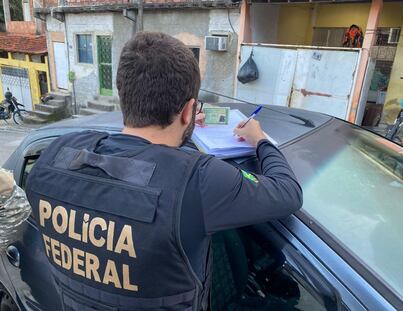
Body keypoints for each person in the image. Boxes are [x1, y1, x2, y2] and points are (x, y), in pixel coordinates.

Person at [25, 32, 302, 311]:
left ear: (124, 95)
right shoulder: (200, 181)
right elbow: (287, 192)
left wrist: (186, 134)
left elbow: (139, 166)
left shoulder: (57, 154)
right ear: (189, 111)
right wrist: (260, 140)